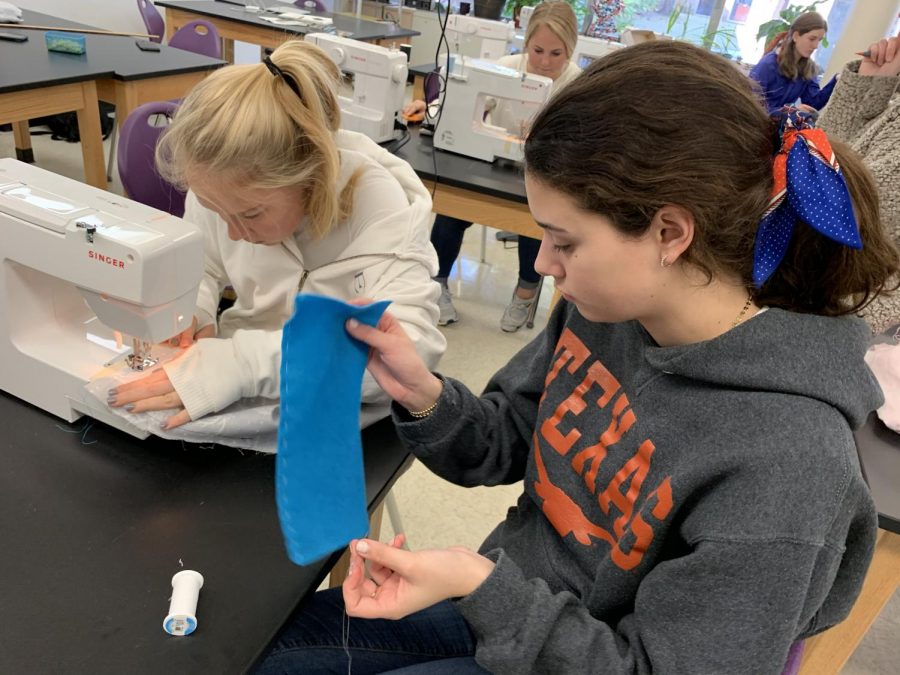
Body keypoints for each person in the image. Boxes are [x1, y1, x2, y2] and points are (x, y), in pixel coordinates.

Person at [254, 41, 899, 673]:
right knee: (262, 650)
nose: (542, 264)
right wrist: (424, 393)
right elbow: (509, 440)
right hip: (510, 613)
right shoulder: (604, 312)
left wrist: (480, 583)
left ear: (669, 233)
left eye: (564, 241)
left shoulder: (788, 464)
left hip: (563, 646)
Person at [106, 40, 446, 430]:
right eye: (218, 212)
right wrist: (191, 309)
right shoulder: (223, 187)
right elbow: (200, 262)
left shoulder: (383, 214)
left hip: (332, 410)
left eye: (251, 214)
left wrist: (243, 364)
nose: (234, 232)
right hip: (232, 375)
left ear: (312, 177)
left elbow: (410, 353)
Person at [403, 1, 582, 332]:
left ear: (570, 49)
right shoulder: (506, 66)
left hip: (543, 176)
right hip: (490, 163)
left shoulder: (579, 86)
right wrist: (429, 107)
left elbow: (586, 142)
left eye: (556, 54)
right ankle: (438, 282)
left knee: (536, 218)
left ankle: (526, 292)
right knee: (452, 208)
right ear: (526, 43)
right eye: (537, 50)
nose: (544, 62)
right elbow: (462, 97)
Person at [818, 30, 900, 332]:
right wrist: (868, 83)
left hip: (846, 317)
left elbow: (836, 209)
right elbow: (820, 154)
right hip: (827, 293)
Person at [750, 11, 836, 116]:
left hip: (780, 128)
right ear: (795, 36)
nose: (816, 46)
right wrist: (790, 110)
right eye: (812, 39)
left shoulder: (808, 69)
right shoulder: (768, 65)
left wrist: (835, 80)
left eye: (819, 40)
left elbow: (813, 103)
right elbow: (752, 105)